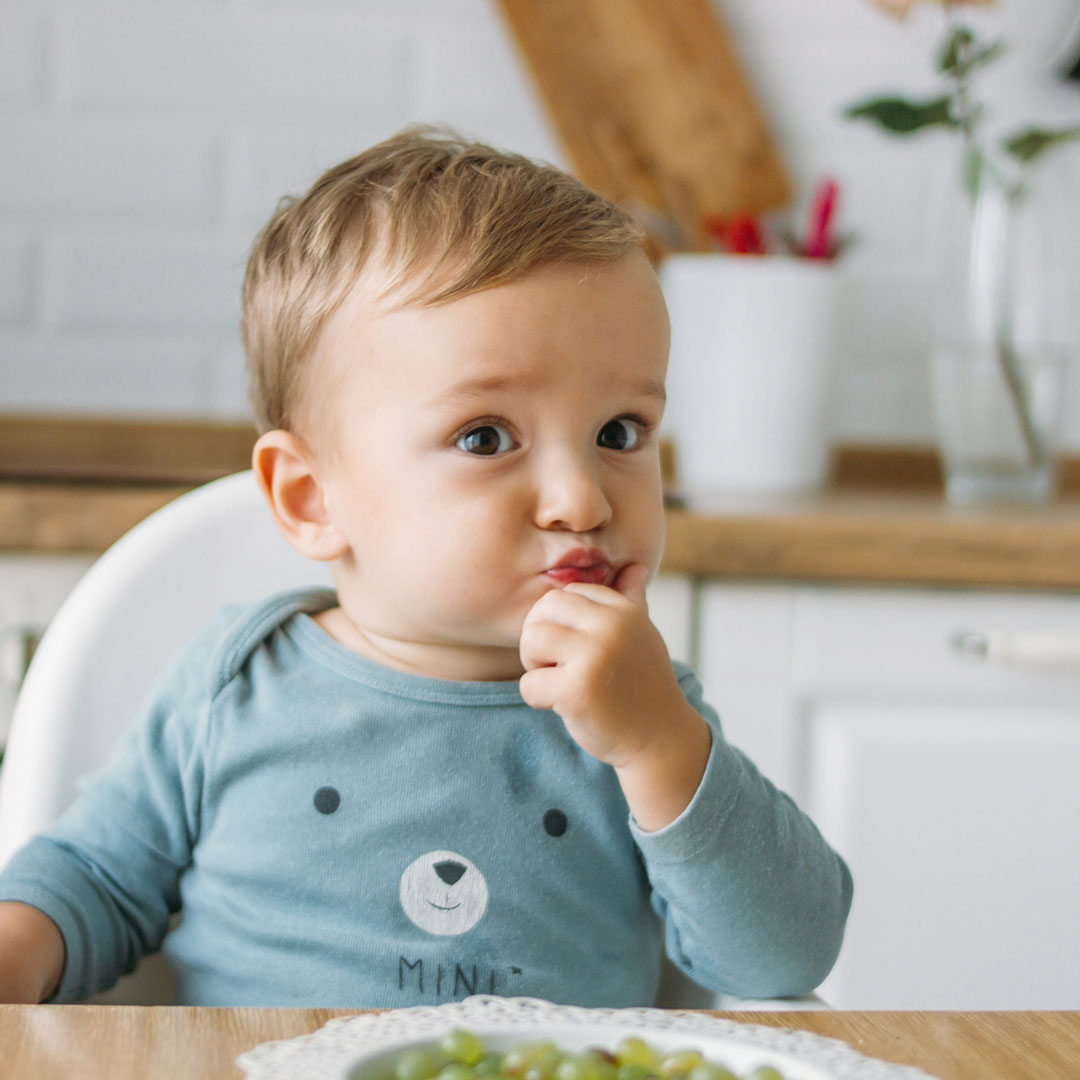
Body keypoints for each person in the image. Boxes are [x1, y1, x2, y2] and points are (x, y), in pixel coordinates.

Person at [0, 128, 852, 1006]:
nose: (584, 500)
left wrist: (660, 741)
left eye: (620, 433)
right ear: (310, 499)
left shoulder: (637, 708)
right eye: (485, 437)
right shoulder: (237, 684)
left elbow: (786, 964)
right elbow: (93, 882)